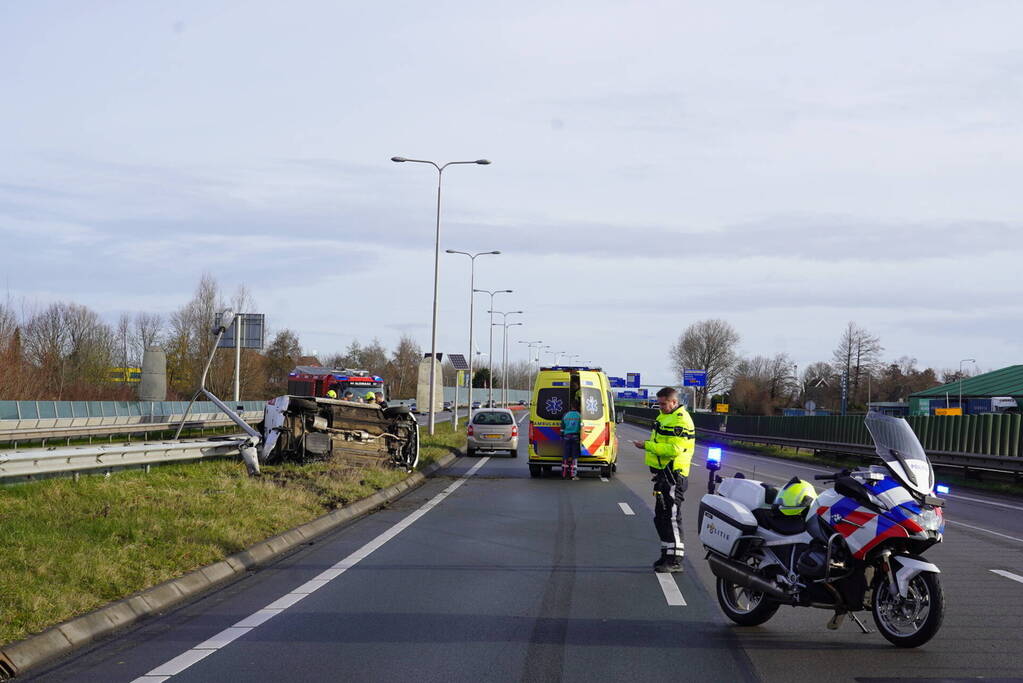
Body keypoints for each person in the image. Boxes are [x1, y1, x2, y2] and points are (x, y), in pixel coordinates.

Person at [632, 386, 695, 573]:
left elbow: (674, 449)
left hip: (673, 475)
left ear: (674, 402)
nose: (660, 407)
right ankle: (666, 554)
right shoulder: (663, 416)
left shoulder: (680, 420)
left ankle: (675, 560)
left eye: (663, 404)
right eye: (658, 403)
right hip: (663, 474)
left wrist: (647, 446)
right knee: (661, 518)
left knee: (671, 517)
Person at [561, 401, 582, 480]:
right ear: (578, 407)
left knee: (565, 456)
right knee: (574, 456)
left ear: (571, 406)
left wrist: (562, 436)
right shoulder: (579, 415)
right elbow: (582, 427)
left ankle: (564, 474)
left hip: (566, 436)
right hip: (575, 437)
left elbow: (562, 427)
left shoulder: (566, 415)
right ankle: (573, 475)